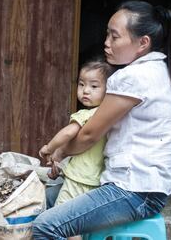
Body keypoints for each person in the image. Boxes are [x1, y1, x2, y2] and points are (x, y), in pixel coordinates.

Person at [33, 0, 171, 239]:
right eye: (107, 35)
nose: (106, 43)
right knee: (48, 196)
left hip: (134, 192)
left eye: (114, 37)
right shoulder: (157, 69)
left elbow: (90, 134)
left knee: (46, 226)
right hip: (146, 189)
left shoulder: (133, 76)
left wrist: (59, 153)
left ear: (143, 43)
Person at [40, 58, 114, 240]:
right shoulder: (107, 116)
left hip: (79, 180)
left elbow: (67, 133)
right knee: (77, 222)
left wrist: (49, 147)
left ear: (109, 90)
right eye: (82, 84)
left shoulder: (87, 114)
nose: (86, 90)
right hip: (96, 180)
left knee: (65, 224)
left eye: (94, 86)